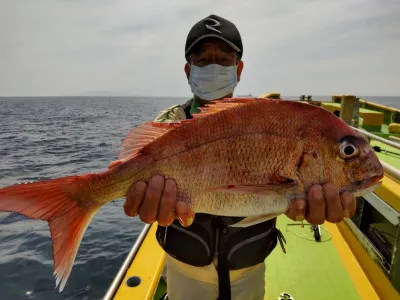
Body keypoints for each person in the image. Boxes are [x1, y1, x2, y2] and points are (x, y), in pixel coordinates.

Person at [122, 14, 356, 300]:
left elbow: (284, 195)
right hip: (186, 269)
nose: (213, 67)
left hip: (248, 268)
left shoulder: (265, 122)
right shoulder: (167, 124)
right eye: (204, 59)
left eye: (223, 59)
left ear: (239, 68)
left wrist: (305, 204)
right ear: (188, 70)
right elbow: (136, 175)